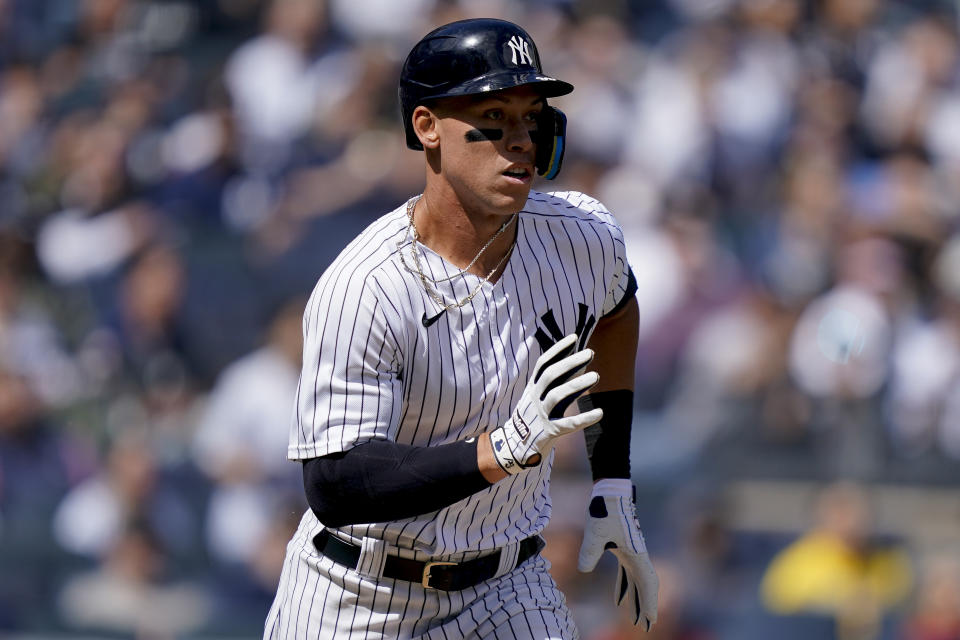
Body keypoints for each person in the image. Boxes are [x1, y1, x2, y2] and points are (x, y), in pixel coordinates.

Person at [264, 18, 659, 639]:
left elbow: (617, 309)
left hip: (507, 584)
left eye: (532, 116)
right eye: (495, 117)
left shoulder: (584, 236)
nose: (521, 139)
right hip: (358, 595)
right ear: (427, 128)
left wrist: (612, 476)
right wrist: (501, 451)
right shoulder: (367, 284)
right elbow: (336, 482)